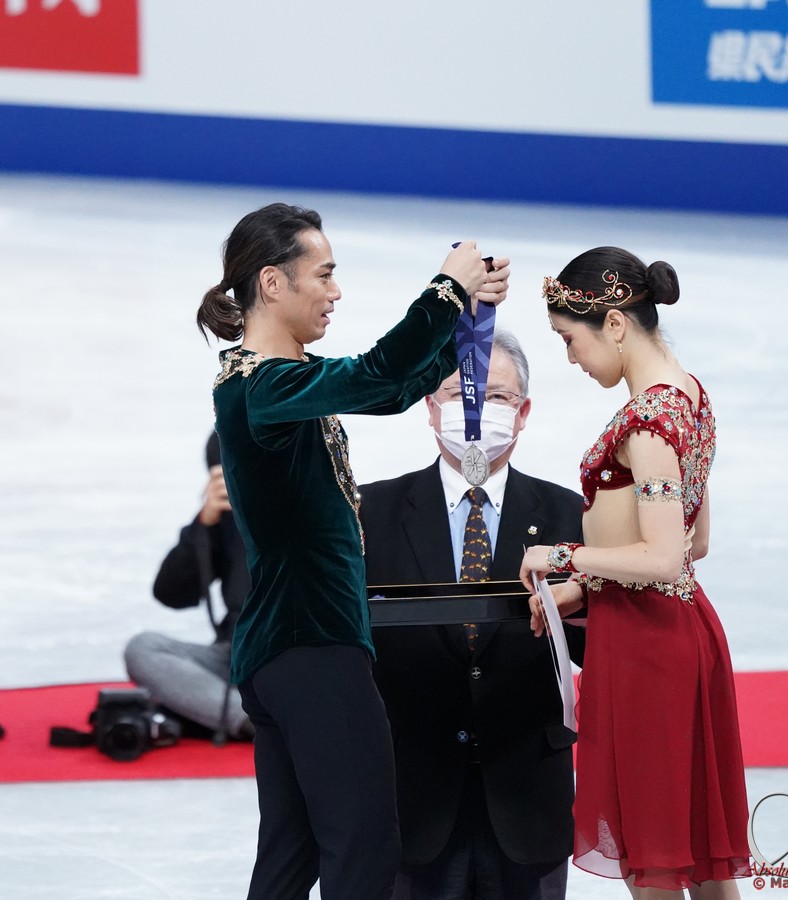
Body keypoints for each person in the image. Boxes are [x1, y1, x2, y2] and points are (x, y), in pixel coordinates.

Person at [195, 201, 509, 900]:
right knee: (365, 848)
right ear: (272, 282)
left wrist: (463, 315)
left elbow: (394, 385)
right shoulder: (263, 387)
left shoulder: (270, 382)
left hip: (284, 649)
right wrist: (445, 290)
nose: (336, 292)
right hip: (313, 649)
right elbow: (375, 375)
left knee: (291, 854)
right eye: (324, 275)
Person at [520, 247, 750, 899]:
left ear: (615, 323)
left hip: (647, 650)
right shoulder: (690, 396)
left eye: (569, 339)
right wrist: (584, 588)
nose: (571, 358)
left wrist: (561, 557)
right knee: (696, 857)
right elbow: (696, 541)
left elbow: (664, 555)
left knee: (654, 862)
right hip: (678, 629)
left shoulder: (649, 420)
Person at [361, 329, 585, 900]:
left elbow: (594, 647)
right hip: (411, 803)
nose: (477, 411)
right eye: (458, 396)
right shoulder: (369, 512)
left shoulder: (571, 515)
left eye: (498, 397)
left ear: (524, 412)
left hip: (528, 803)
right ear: (430, 409)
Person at [124, 431, 252, 741]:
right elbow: (171, 594)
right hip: (236, 656)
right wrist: (204, 525)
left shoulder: (316, 507)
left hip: (297, 653)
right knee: (143, 648)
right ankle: (251, 721)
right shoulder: (228, 517)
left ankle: (255, 716)